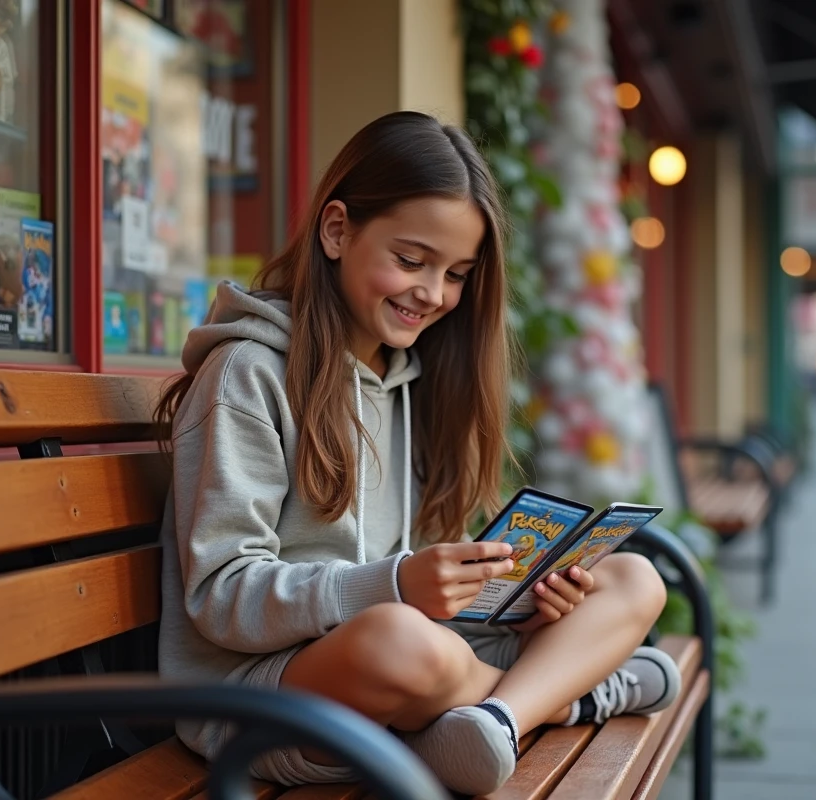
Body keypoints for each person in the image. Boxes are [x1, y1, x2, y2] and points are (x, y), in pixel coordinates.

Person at [153, 112, 680, 796]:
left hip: (419, 674)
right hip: (267, 699)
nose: (433, 294)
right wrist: (393, 585)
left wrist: (517, 598)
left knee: (634, 579)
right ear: (337, 230)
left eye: (456, 273)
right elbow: (219, 595)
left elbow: (427, 563)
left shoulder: (413, 381)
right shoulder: (247, 376)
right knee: (399, 640)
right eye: (411, 260)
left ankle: (497, 718)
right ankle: (567, 698)